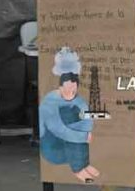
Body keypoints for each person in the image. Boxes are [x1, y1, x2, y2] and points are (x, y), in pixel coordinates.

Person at [40, 47, 98, 183]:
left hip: (69, 147)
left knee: (81, 123)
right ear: (60, 87)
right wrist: (83, 135)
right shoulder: (50, 102)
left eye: (74, 90)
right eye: (67, 89)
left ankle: (83, 163)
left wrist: (87, 130)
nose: (70, 93)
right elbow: (59, 130)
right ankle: (78, 169)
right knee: (71, 120)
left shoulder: (76, 98)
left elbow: (86, 113)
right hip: (53, 147)